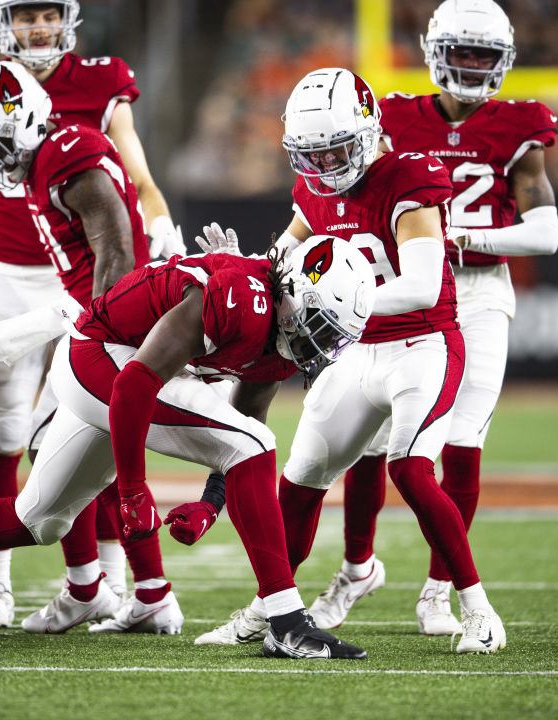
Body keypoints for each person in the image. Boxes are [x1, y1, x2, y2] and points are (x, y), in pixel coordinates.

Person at [0, 230, 377, 658]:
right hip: (98, 360)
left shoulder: (279, 334)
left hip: (113, 368)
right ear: (295, 292)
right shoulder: (241, 298)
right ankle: (285, 621)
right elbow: (137, 384)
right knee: (255, 443)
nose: (320, 347)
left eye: (333, 337)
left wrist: (210, 507)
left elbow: (241, 420)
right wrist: (134, 492)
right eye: (321, 327)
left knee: (37, 519)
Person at [196, 67, 506, 655]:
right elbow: (278, 262)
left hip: (422, 344)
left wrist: (340, 303)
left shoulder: (410, 176)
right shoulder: (312, 190)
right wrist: (241, 268)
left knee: (411, 470)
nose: (327, 165)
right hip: (355, 353)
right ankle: (270, 608)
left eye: (337, 148)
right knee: (300, 478)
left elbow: (419, 285)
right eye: (312, 154)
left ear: (367, 133)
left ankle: (478, 609)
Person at [0, 0, 184, 627]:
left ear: (67, 19)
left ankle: (107, 583)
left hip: (88, 284)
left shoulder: (94, 92)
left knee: (83, 427)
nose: (37, 28)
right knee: (5, 433)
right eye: (24, 16)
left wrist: (161, 224)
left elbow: (135, 180)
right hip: (11, 278)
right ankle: (1, 588)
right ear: (3, 24)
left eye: (46, 14)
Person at [308, 0, 558, 636]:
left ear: (502, 60)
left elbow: (546, 233)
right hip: (398, 290)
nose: (472, 66)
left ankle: (439, 592)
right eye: (461, 52)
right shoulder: (390, 116)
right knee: (367, 441)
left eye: (483, 54)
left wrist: (462, 239)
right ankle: (356, 567)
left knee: (463, 441)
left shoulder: (518, 127)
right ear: (433, 52)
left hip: (475, 295)